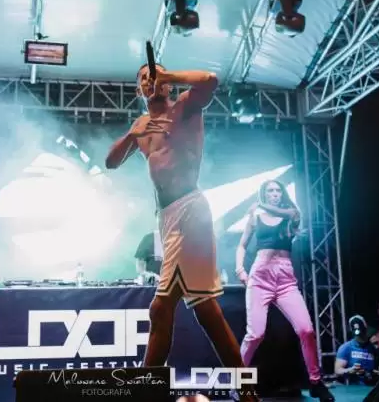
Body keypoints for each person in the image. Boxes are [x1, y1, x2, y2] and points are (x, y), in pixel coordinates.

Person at [105, 64, 256, 402]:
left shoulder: (184, 107)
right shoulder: (142, 126)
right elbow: (111, 162)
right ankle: (248, 391)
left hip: (190, 209)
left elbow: (210, 80)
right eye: (144, 77)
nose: (151, 80)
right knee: (207, 311)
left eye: (156, 75)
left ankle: (144, 392)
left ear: (168, 85)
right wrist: (132, 134)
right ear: (139, 90)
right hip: (167, 218)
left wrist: (168, 75)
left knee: (160, 309)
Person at [235, 180, 334, 401]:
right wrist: (240, 268)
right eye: (270, 190)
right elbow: (242, 245)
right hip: (260, 277)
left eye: (278, 190)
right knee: (255, 334)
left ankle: (316, 381)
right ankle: (238, 384)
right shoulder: (256, 217)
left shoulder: (291, 213)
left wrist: (259, 204)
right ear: (264, 193)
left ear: (283, 193)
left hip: (285, 279)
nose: (274, 194)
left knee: (306, 329)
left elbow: (285, 213)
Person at [334, 316, 378, 385]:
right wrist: (350, 370)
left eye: (362, 333)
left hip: (371, 386)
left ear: (366, 329)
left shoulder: (372, 348)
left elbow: (376, 368)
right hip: (353, 388)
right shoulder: (346, 347)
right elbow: (337, 370)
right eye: (357, 334)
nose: (360, 336)